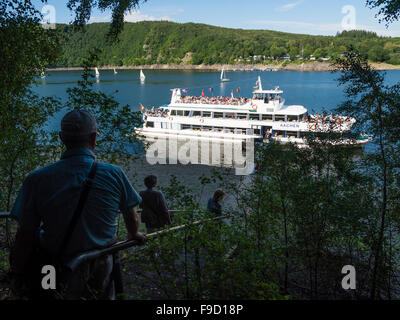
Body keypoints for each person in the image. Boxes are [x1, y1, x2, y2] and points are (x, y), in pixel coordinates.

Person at [9, 110, 147, 300]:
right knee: (99, 296)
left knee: (50, 295)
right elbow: (131, 215)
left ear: (61, 138)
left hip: (53, 262)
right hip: (100, 260)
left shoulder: (37, 179)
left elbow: (25, 232)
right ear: (94, 137)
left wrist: (17, 270)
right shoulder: (114, 173)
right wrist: (134, 234)